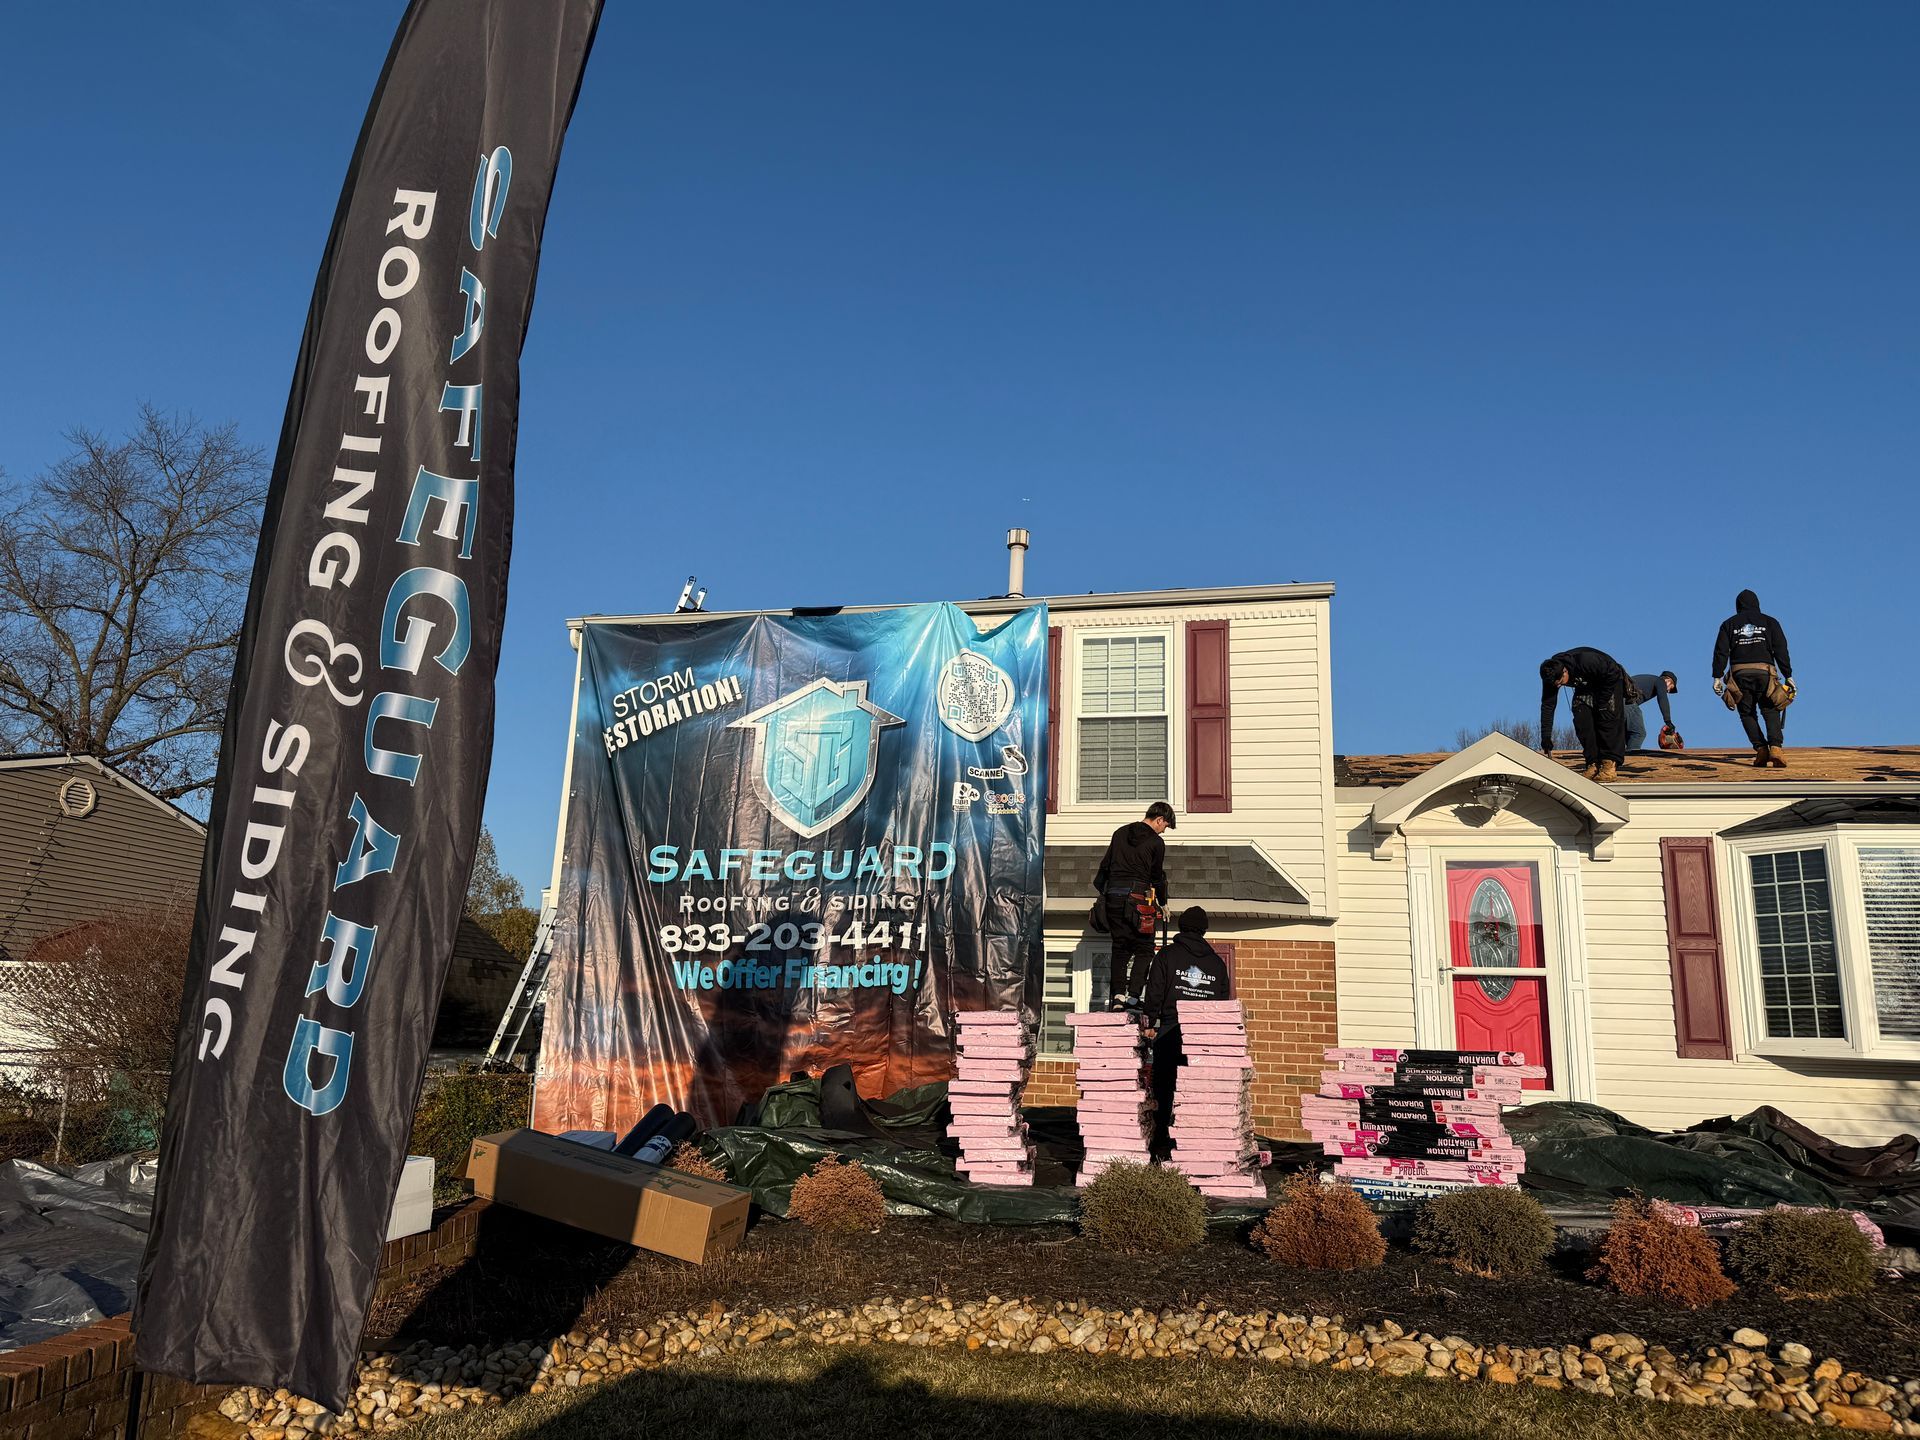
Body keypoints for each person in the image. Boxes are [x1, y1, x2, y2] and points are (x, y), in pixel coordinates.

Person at [1143, 906, 1232, 1159]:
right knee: (1199, 1094)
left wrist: (1149, 1021)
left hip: (1171, 1033)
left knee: (1164, 1091)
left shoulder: (1167, 956)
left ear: (1181, 927)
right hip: (1204, 1040)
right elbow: (1222, 1004)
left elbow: (1155, 991)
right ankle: (1197, 1150)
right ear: (1204, 929)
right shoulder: (1216, 964)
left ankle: (1161, 1146)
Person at [1092, 801, 1174, 1011]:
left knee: (1120, 948)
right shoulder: (1156, 843)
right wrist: (1163, 902)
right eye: (1165, 826)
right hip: (1138, 900)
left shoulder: (1120, 833)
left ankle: (1118, 997)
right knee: (1145, 949)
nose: (1163, 831)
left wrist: (1105, 895)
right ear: (1159, 820)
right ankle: (1134, 998)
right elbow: (1156, 877)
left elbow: (1104, 867)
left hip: (1113, 898)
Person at [1712, 588, 1795, 768]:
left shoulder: (1729, 624)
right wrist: (1788, 675)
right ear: (1757, 604)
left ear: (1738, 606)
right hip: (1765, 673)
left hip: (1739, 675)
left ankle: (1761, 749)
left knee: (1747, 713)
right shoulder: (1770, 622)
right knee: (1771, 709)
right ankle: (1775, 749)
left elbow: (1721, 651)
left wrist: (1717, 676)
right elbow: (1781, 649)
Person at [1538, 646, 1631, 782]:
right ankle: (1592, 762)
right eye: (1556, 685)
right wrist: (1546, 737)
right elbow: (1548, 705)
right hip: (1585, 685)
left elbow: (1613, 673)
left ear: (1565, 671)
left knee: (1606, 715)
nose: (1558, 686)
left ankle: (1608, 763)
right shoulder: (1550, 675)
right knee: (1582, 718)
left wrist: (1602, 702)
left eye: (1560, 682)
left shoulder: (1586, 661)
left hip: (1609, 679)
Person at [1624, 670, 1679, 752]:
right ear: (1668, 681)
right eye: (1671, 687)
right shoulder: (1660, 681)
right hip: (1626, 701)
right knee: (1638, 733)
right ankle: (1629, 758)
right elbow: (1662, 699)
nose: (1668, 691)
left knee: (1622, 735)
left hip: (1614, 701)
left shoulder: (1650, 680)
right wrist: (1668, 721)